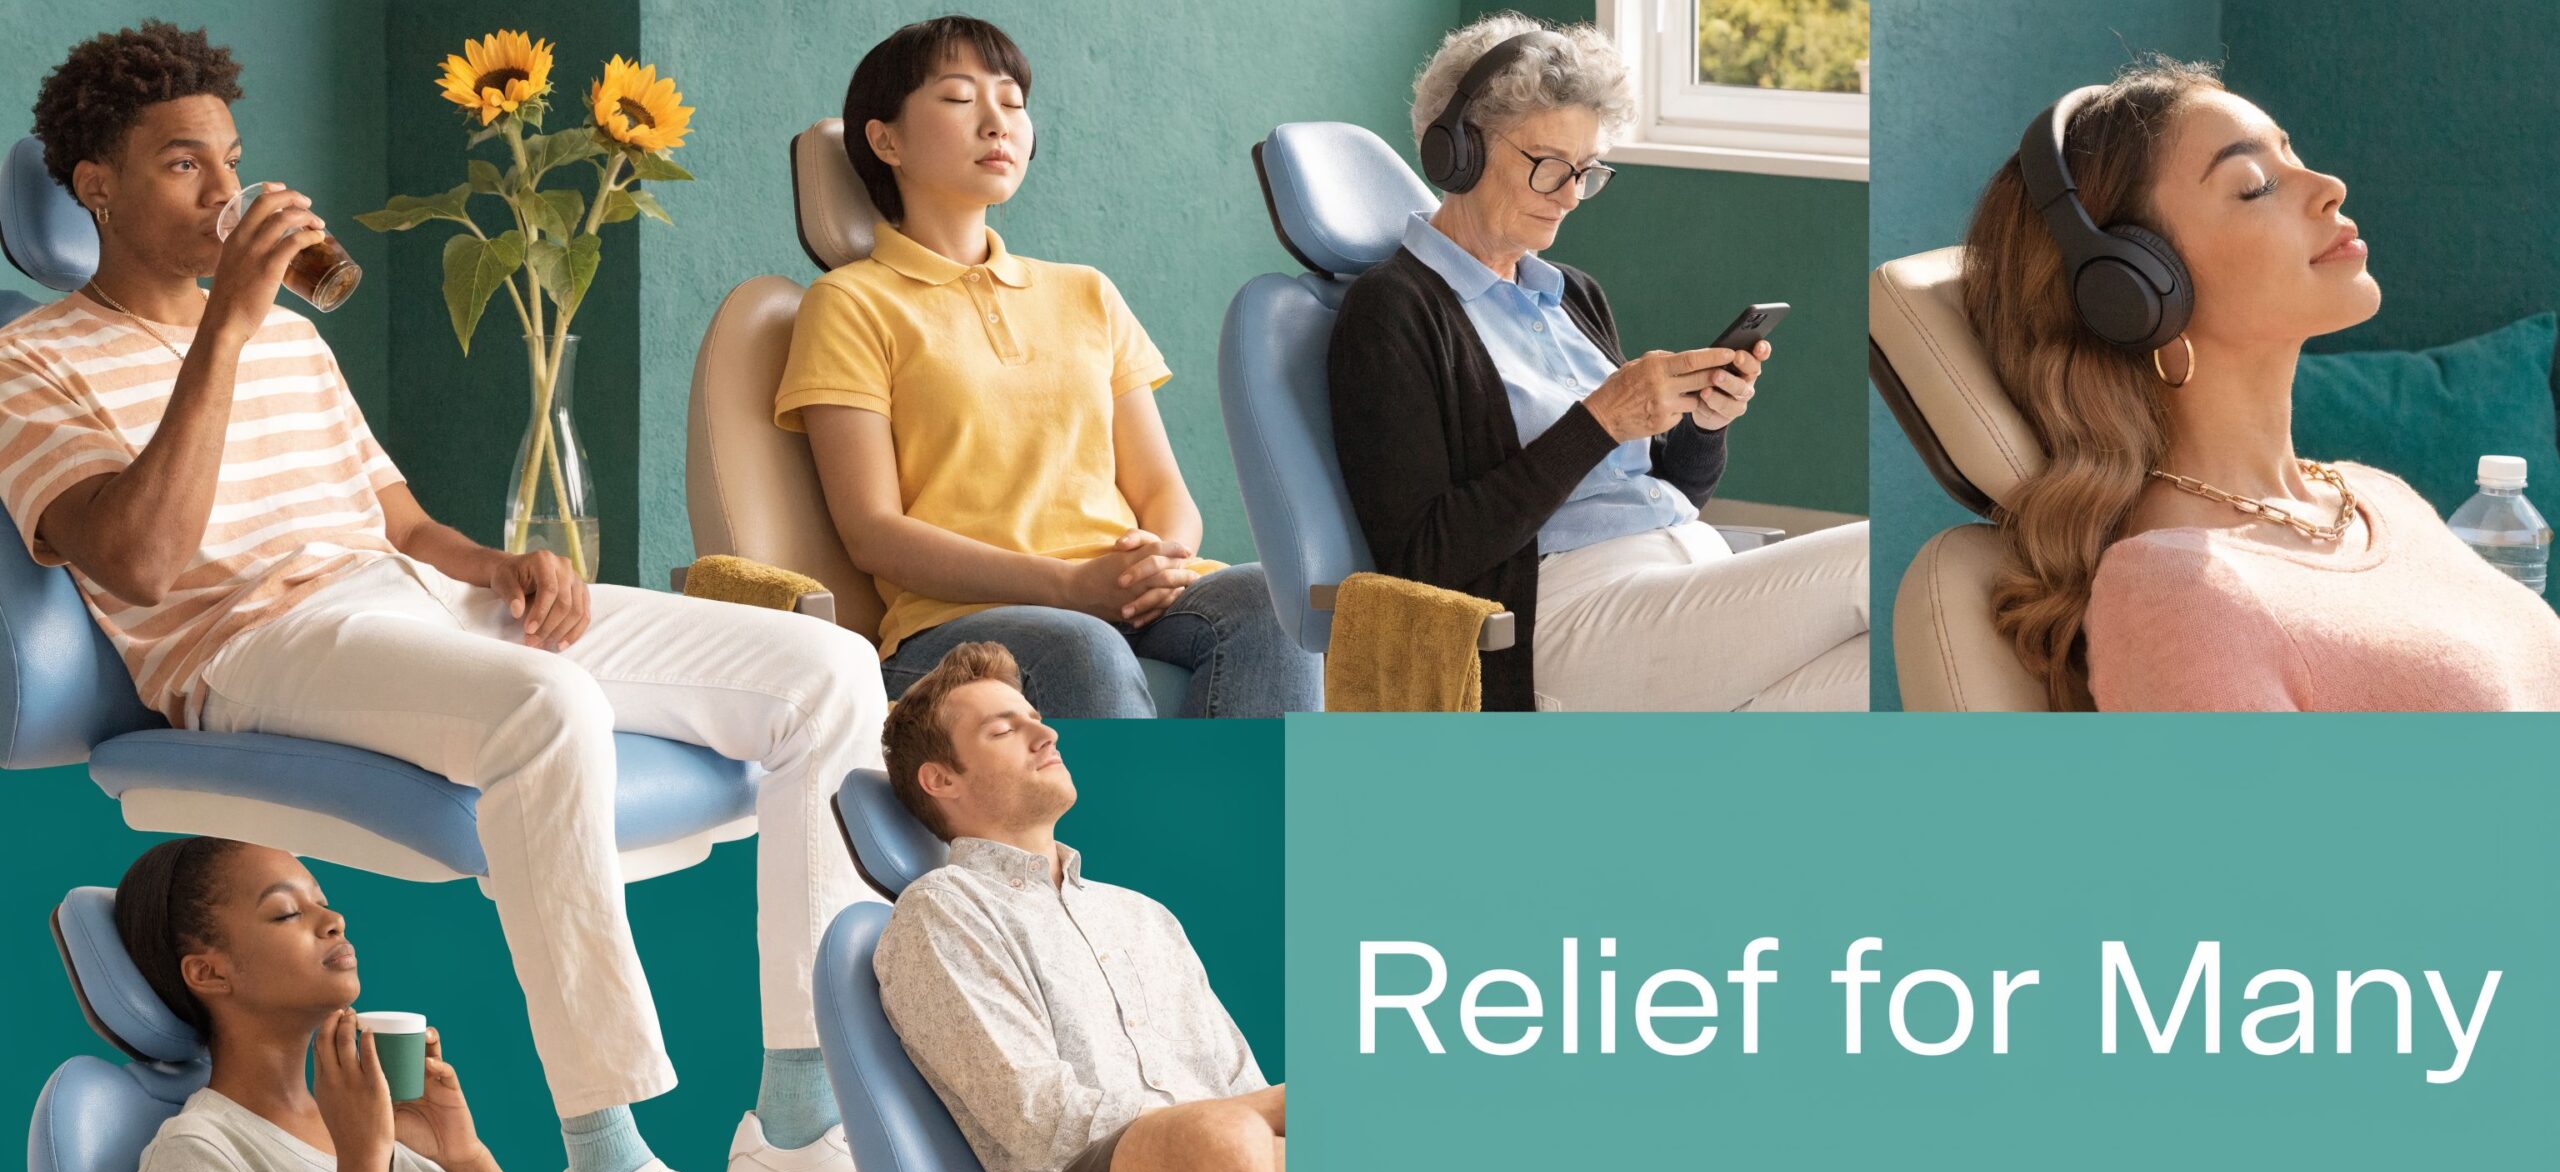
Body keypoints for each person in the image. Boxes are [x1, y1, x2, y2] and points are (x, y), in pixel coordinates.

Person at [6, 25, 882, 1172]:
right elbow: (139, 561)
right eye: (183, 165)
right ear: (96, 184)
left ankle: (799, 1115)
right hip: (249, 641)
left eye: (231, 160)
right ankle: (608, 1168)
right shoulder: (31, 361)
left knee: (824, 670)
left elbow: (399, 520)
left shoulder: (296, 342)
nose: (224, 190)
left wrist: (498, 564)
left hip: (407, 596)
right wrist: (224, 332)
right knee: (545, 707)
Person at [1961, 58, 2560, 710]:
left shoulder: (2375, 497)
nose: (2330, 186)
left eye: (2292, 154)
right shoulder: (2180, 595)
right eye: (2254, 185)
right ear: (2131, 291)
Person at [775, 16, 1321, 719]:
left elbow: (1163, 492)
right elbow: (872, 531)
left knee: (1273, 602)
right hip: (960, 622)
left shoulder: (1087, 292)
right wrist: (1069, 587)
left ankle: (1260, 803)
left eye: (1012, 102)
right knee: (1083, 646)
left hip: (1114, 594)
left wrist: (1158, 560)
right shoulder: (848, 303)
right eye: (958, 97)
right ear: (886, 141)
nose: (997, 122)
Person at [1327, 15, 1870, 713]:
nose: (1570, 194)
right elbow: (1421, 559)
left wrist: (1704, 425)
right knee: (1884, 561)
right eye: (1550, 165)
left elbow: (1663, 492)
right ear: (1458, 152)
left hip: (1678, 582)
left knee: (1885, 672)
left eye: (1585, 171)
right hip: (1553, 621)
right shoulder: (1394, 310)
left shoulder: (1572, 294)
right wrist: (1601, 420)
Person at [873, 642, 1284, 1172]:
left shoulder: (1145, 916)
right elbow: (1038, 1121)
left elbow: (1242, 1087)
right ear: (941, 779)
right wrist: (1251, 1120)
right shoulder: (944, 910)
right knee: (1225, 1140)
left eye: (1035, 718)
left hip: (1232, 1162)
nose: (1046, 734)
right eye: (1004, 730)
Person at [118, 838, 552, 1172]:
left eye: (322, 903)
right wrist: (362, 1163)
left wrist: (466, 1157)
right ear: (209, 973)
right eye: (286, 912)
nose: (334, 921)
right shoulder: (197, 1158)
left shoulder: (373, 1118)